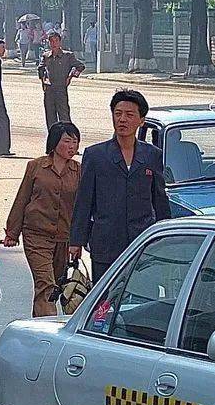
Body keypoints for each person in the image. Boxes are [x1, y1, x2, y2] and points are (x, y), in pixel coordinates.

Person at [69, 89, 171, 281]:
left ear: (141, 120)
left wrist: (165, 238)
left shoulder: (152, 155)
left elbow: (160, 201)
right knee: (105, 305)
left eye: (129, 114)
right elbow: (84, 201)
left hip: (142, 245)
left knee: (140, 301)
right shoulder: (96, 155)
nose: (122, 119)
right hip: (105, 244)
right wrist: (76, 241)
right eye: (118, 114)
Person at [4, 123, 83, 317]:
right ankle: (47, 332)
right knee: (46, 285)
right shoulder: (36, 166)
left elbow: (82, 208)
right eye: (67, 141)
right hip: (36, 235)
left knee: (52, 287)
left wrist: (78, 240)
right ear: (55, 142)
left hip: (63, 237)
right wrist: (12, 232)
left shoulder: (79, 170)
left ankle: (36, 329)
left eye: (75, 142)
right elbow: (22, 198)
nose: (71, 146)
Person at [38, 31, 85, 128]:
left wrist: (71, 76)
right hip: (49, 90)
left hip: (61, 89)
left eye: (56, 41)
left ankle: (67, 137)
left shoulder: (67, 56)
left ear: (60, 42)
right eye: (51, 41)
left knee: (64, 117)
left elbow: (80, 66)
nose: (54, 43)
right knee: (50, 117)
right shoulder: (46, 56)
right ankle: (53, 138)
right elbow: (41, 68)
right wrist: (43, 81)